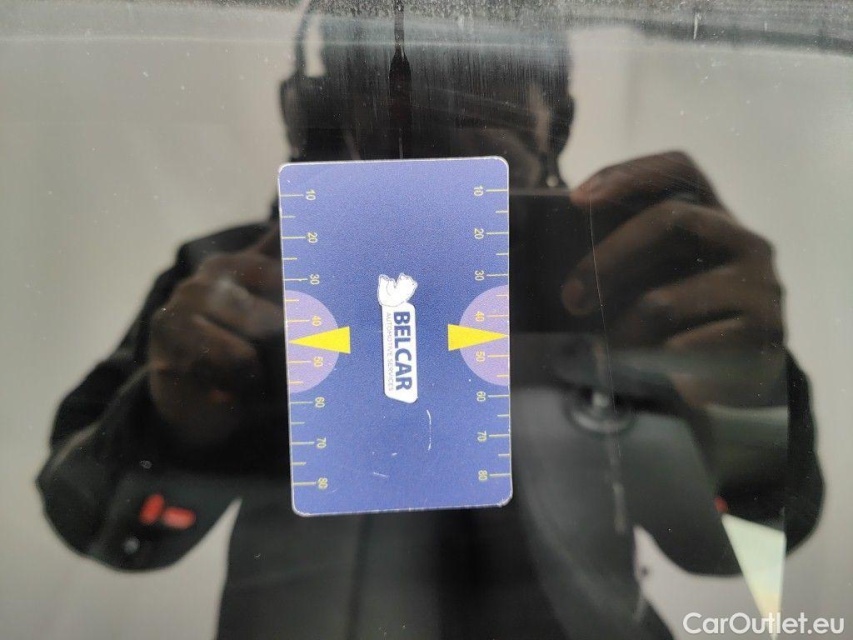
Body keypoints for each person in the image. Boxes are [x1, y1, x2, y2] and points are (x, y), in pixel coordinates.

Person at [37, 4, 822, 638]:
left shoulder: (629, 276)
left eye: (482, 81)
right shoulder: (233, 279)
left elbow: (740, 548)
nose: (423, 107)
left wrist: (740, 395)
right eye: (382, 82)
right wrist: (166, 422)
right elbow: (94, 520)